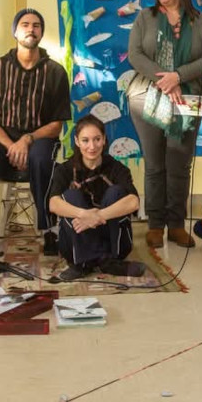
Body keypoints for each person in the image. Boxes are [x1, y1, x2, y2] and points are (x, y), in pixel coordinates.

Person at [0, 8, 70, 256]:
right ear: (15, 31)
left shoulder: (55, 72)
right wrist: (11, 144)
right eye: (25, 24)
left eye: (36, 25)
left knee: (41, 159)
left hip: (40, 139)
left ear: (42, 33)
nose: (30, 29)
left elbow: (57, 125)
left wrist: (27, 139)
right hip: (2, 140)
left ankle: (49, 232)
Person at [126, 0, 202, 250]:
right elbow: (135, 54)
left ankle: (176, 225)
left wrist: (179, 77)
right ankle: (156, 225)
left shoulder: (199, 21)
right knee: (155, 165)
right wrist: (166, 80)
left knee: (180, 164)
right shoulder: (145, 18)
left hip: (188, 97)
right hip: (146, 96)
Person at [47, 116, 144, 282]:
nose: (92, 146)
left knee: (116, 192)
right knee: (71, 195)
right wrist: (84, 214)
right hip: (74, 244)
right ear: (77, 141)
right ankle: (101, 262)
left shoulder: (116, 168)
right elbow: (53, 204)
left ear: (104, 139)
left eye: (97, 139)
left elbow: (134, 201)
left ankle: (93, 262)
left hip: (113, 242)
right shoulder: (65, 169)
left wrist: (98, 216)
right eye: (85, 140)